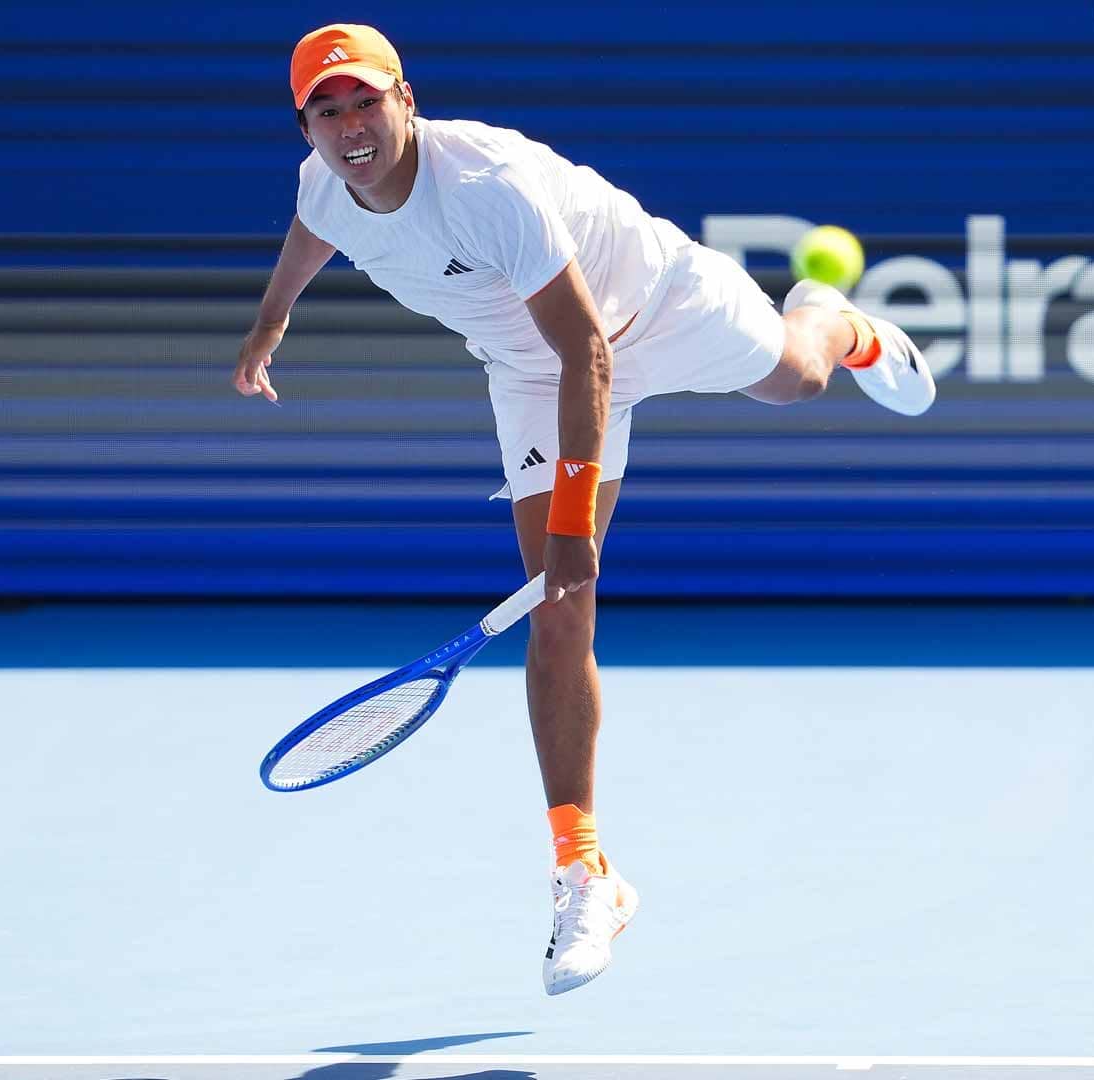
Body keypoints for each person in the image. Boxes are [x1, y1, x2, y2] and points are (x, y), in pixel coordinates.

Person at [232, 23, 934, 996]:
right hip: (529, 367)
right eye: (329, 110)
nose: (352, 125)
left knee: (796, 380)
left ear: (406, 100)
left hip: (654, 309)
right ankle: (585, 873)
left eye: (367, 101)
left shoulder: (485, 186)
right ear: (305, 127)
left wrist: (571, 521)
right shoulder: (323, 183)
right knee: (558, 614)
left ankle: (837, 320)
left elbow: (590, 353)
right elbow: (316, 231)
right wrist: (269, 323)